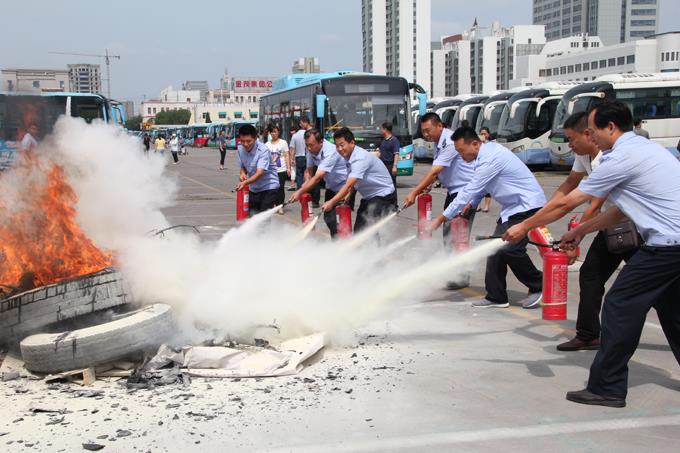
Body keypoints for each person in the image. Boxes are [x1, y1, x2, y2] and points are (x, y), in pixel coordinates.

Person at [503, 100, 680, 408]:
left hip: (666, 246)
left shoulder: (621, 157)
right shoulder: (644, 149)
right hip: (672, 244)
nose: (590, 136)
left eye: (592, 130)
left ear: (610, 127)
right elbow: (622, 210)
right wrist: (581, 230)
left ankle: (607, 387)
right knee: (673, 310)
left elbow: (566, 203)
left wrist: (524, 226)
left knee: (619, 306)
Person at [430, 126, 546, 309]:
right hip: (512, 208)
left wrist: (441, 218)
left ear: (475, 144)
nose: (461, 156)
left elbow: (470, 189)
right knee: (495, 250)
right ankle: (496, 296)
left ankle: (540, 284)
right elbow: (482, 187)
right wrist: (472, 203)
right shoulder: (483, 156)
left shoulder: (490, 157)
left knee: (510, 249)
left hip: (526, 205)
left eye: (462, 151)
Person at [403, 113, 476, 288]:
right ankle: (455, 273)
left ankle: (460, 276)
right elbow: (442, 172)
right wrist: (431, 184)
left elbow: (435, 171)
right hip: (454, 192)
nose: (426, 134)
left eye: (428, 130)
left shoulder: (450, 142)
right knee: (449, 234)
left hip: (464, 193)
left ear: (439, 126)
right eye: (423, 131)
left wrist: (414, 192)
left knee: (457, 235)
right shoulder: (439, 142)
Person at [321, 127, 396, 234]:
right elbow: (352, 182)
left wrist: (331, 202)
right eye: (337, 146)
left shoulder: (359, 158)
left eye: (342, 145)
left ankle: (375, 245)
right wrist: (348, 195)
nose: (339, 149)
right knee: (359, 231)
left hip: (383, 196)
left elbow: (348, 185)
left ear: (352, 143)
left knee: (365, 231)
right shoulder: (348, 157)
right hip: (369, 197)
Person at [289, 128, 350, 237]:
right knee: (329, 218)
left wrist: (299, 191)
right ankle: (337, 241)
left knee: (340, 220)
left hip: (345, 188)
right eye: (307, 145)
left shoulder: (331, 151)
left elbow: (318, 177)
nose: (308, 148)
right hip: (331, 187)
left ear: (321, 142)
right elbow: (309, 170)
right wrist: (307, 180)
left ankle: (343, 243)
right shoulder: (311, 150)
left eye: (311, 145)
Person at [234, 124, 280, 216]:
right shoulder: (240, 148)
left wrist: (245, 182)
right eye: (242, 141)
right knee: (251, 215)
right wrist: (242, 173)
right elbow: (243, 166)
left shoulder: (263, 150)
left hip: (268, 187)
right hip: (254, 188)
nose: (245, 144)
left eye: (248, 141)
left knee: (263, 216)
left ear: (255, 138)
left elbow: (259, 173)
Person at [289, 116, 319, 206]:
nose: (300, 124)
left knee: (301, 176)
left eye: (301, 123)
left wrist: (291, 159)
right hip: (308, 156)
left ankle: (302, 195)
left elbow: (292, 148)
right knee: (310, 176)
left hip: (301, 157)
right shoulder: (310, 132)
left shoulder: (303, 134)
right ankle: (311, 198)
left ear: (305, 122)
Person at [265, 124, 290, 215]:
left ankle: (280, 206)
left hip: (281, 170)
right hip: (271, 171)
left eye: (275, 132)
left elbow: (286, 155)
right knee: (272, 189)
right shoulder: (267, 144)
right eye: (272, 132)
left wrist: (288, 168)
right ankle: (274, 205)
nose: (273, 134)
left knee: (280, 188)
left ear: (278, 132)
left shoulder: (283, 143)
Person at [376, 122, 400, 201]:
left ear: (385, 129)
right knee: (383, 185)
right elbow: (378, 153)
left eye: (381, 128)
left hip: (390, 165)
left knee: (392, 185)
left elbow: (396, 154)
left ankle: (394, 204)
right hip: (382, 166)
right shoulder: (382, 140)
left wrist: (394, 166)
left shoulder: (394, 140)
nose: (380, 130)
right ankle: (385, 202)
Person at [476, 126, 493, 213]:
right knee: (477, 187)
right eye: (481, 134)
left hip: (488, 167)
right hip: (479, 167)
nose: (483, 135)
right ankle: (477, 205)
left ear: (488, 134)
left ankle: (486, 206)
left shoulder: (491, 144)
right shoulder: (477, 144)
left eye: (485, 134)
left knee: (488, 187)